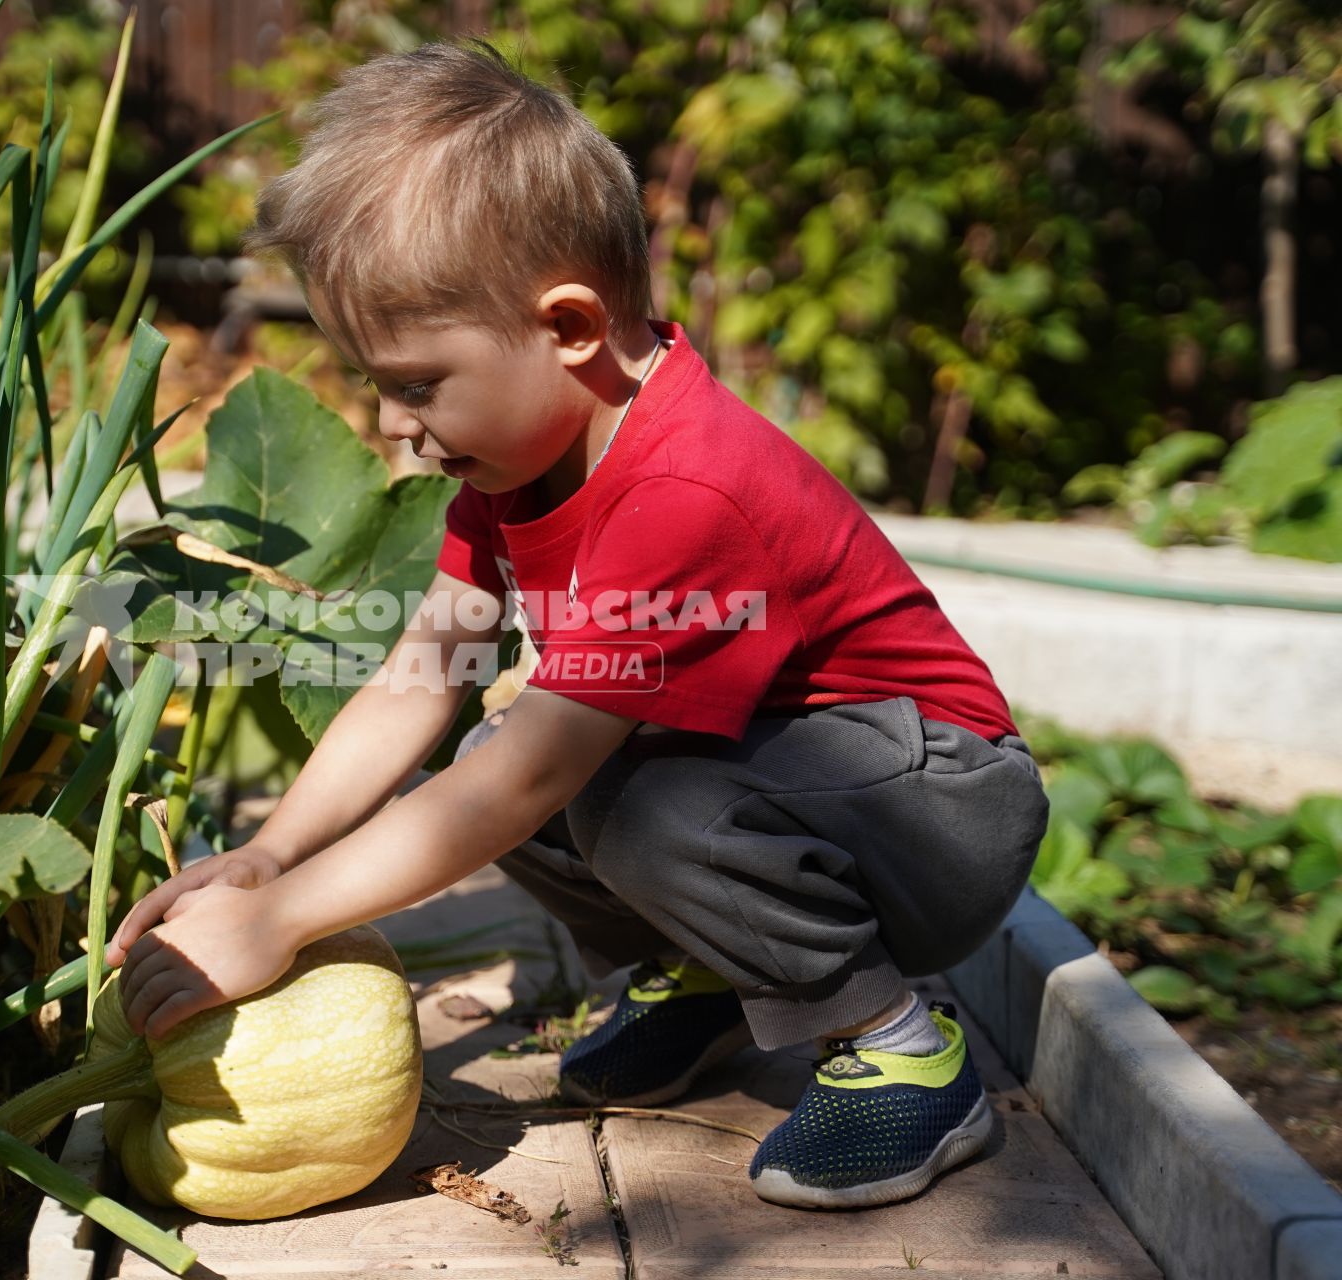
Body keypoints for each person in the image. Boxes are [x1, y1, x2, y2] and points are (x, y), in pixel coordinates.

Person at [104, 39, 1050, 1210]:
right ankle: (705, 973)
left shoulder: (683, 491)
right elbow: (419, 676)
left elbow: (523, 781)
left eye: (414, 383)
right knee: (496, 754)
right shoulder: (516, 468)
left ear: (567, 327)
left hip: (943, 809)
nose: (396, 426)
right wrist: (269, 854)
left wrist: (283, 921)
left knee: (595, 789)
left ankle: (905, 1048)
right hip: (823, 788)